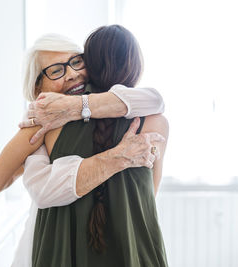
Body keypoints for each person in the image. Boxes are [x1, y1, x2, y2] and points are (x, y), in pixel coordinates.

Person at [0, 33, 165, 266]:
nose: (72, 74)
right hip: (59, 239)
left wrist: (75, 107)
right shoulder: (40, 122)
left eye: (76, 62)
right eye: (56, 71)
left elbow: (155, 99)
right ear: (38, 86)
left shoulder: (114, 106)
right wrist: (27, 159)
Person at [31, 25, 168, 266]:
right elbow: (150, 194)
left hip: (72, 249)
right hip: (136, 247)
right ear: (135, 65)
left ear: (89, 66)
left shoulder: (57, 122)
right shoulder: (156, 122)